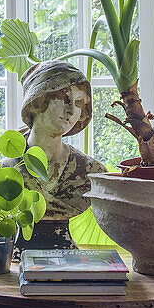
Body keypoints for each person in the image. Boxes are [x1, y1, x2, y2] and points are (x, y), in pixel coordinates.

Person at [12, 60, 106, 248]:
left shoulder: (90, 173)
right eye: (64, 98)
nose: (72, 110)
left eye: (78, 103)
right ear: (38, 101)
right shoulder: (3, 171)